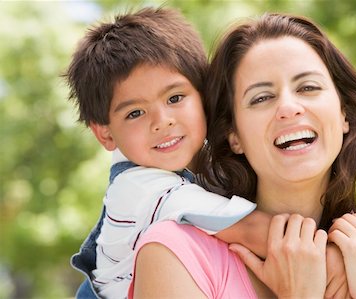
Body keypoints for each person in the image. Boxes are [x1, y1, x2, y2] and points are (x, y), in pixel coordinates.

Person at [130, 13, 356, 298]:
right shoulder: (175, 253)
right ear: (234, 136)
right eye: (261, 98)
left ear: (344, 114)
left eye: (308, 87)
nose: (289, 107)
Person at [64, 7, 274, 299]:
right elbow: (257, 233)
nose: (162, 121)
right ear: (106, 133)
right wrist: (338, 257)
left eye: (175, 98)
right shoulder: (138, 189)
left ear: (204, 95)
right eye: (135, 113)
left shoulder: (209, 154)